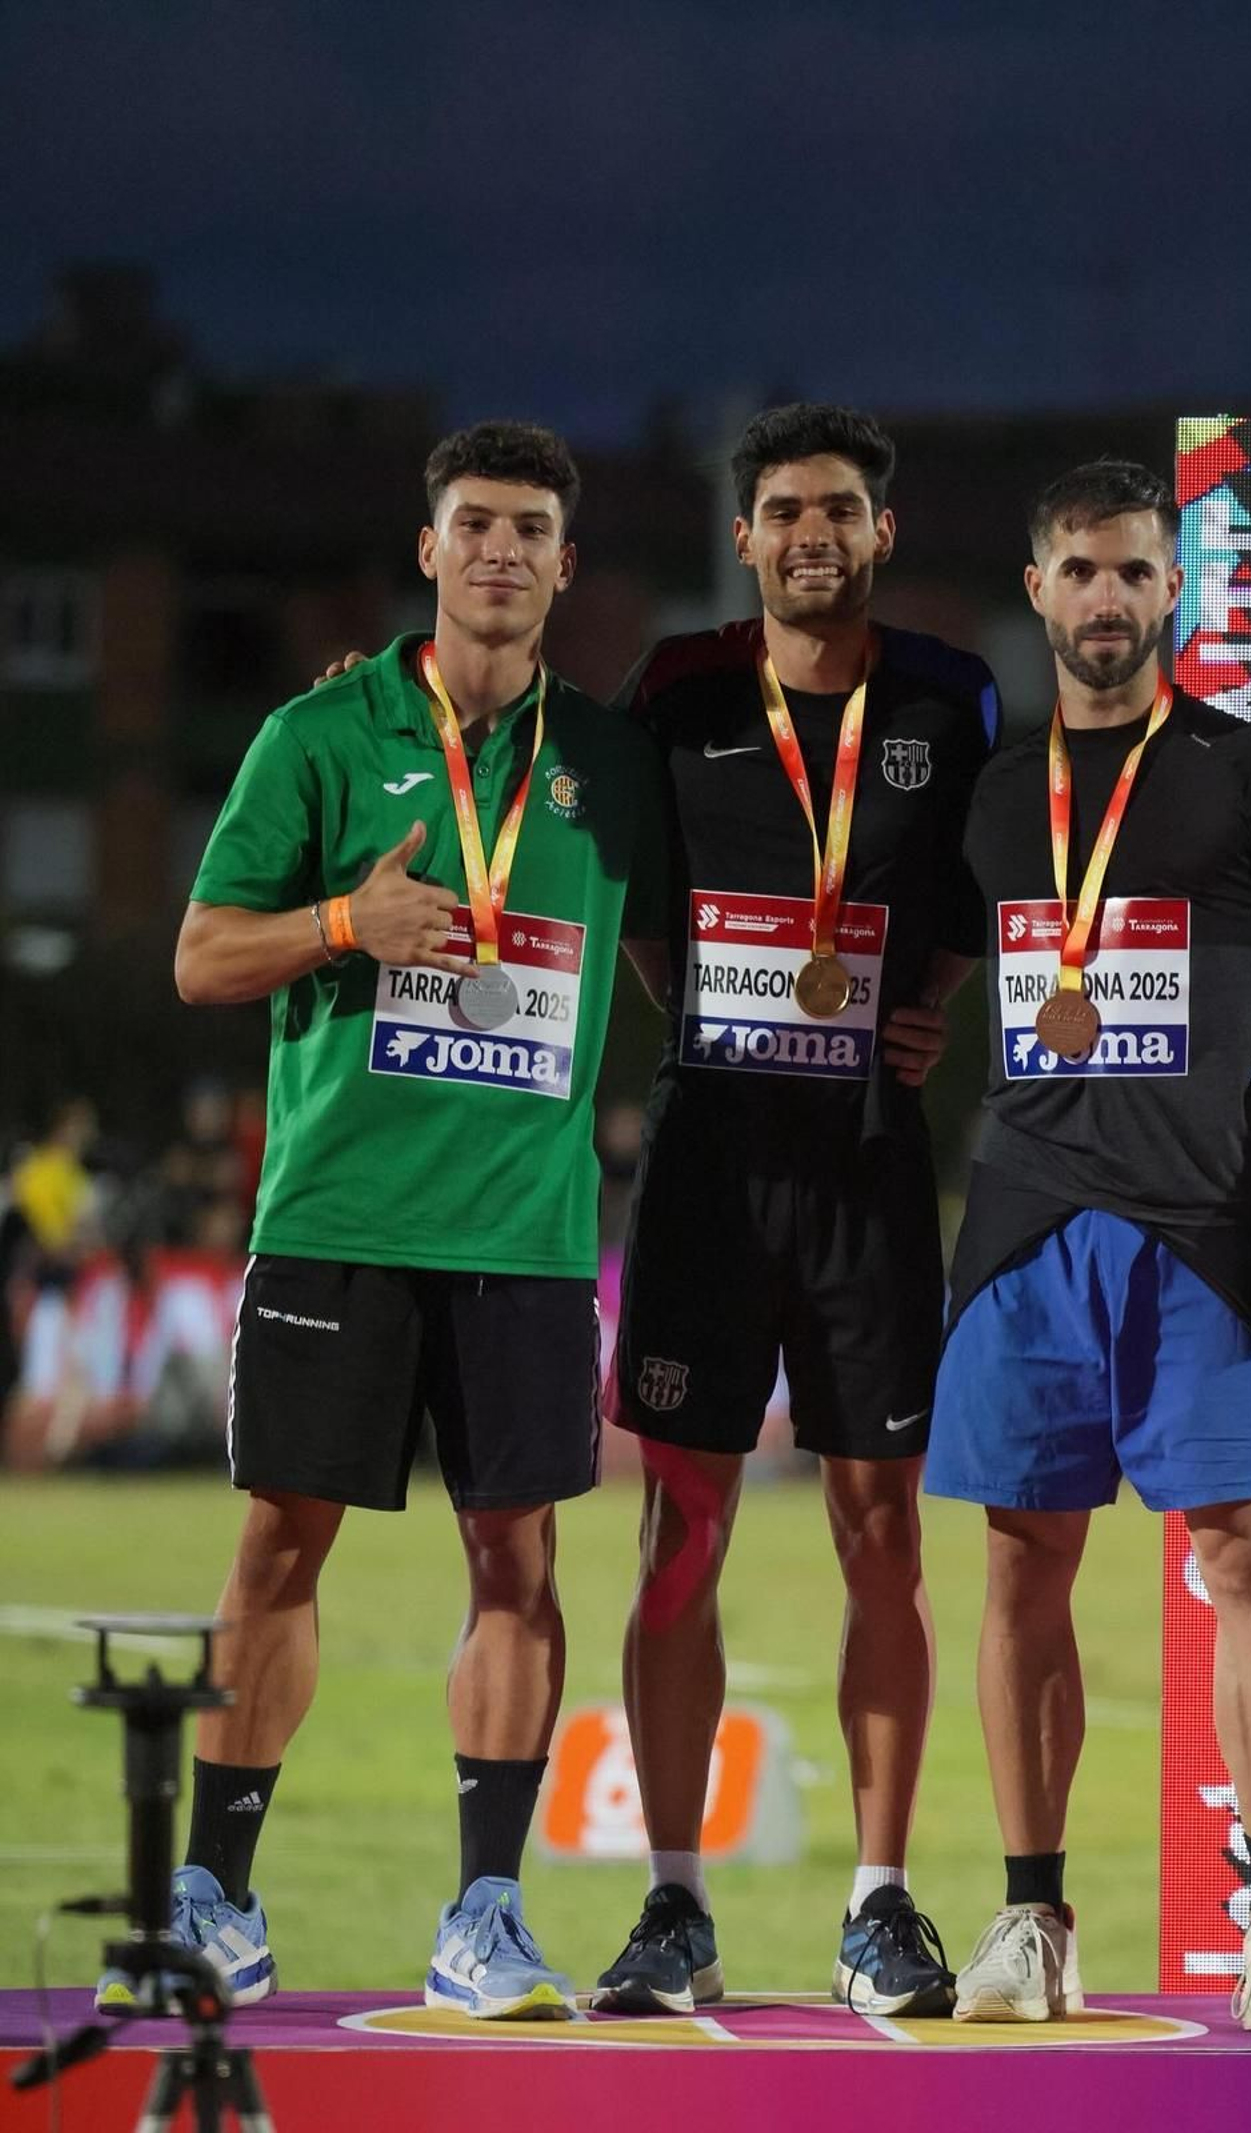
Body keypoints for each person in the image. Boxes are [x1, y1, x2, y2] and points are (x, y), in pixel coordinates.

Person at [97, 419, 664, 2022]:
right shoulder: (320, 735)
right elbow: (203, 955)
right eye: (473, 522)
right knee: (277, 1546)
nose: (500, 549)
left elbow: (684, 965)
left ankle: (487, 1914)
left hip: (523, 1234)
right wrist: (350, 918)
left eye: (530, 528)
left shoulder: (611, 762)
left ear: (565, 564)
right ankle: (216, 1898)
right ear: (430, 549)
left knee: (519, 1559)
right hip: (339, 1215)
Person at [926, 459, 1251, 2031]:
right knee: (1019, 1567)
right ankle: (1032, 1916)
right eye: (1081, 570)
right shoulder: (994, 790)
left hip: (1200, 1228)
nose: (1109, 596)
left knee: (1244, 1556)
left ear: (1174, 585)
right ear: (1039, 588)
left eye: (1135, 569)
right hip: (1025, 1230)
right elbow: (924, 972)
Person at [594, 404, 998, 2017]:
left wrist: (936, 1006)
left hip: (869, 1169)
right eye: (783, 510)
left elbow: (984, 887)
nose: (811, 534)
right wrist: (703, 1013)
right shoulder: (678, 691)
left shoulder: (951, 699)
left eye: (839, 508)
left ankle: (878, 1906)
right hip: (708, 1167)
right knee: (677, 1531)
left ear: (882, 531)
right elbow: (629, 894)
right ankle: (674, 1905)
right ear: (744, 536)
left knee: (882, 1533)